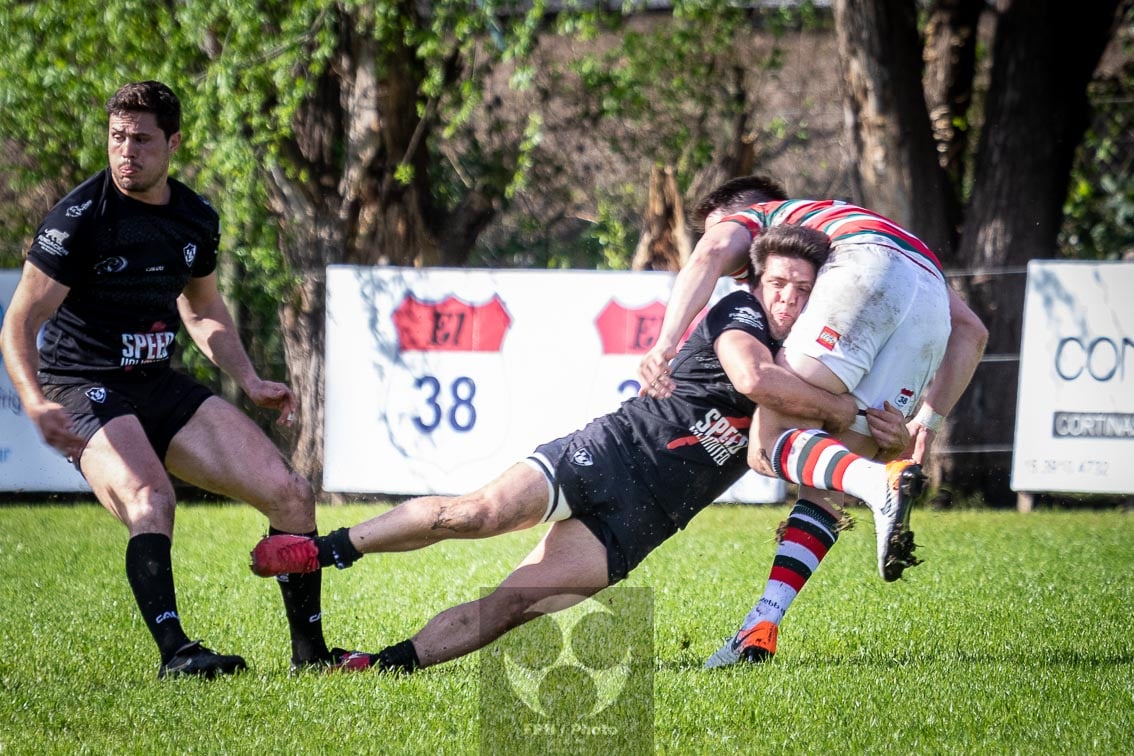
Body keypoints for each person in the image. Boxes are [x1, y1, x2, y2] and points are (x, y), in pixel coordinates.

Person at [245, 224, 911, 674]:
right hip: (611, 451)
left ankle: (382, 666)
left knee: (512, 605)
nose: (789, 300)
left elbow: (795, 454)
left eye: (802, 289)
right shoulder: (738, 312)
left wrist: (885, 434)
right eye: (779, 285)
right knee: (472, 515)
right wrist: (848, 409)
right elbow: (752, 380)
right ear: (757, 283)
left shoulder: (821, 364)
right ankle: (324, 550)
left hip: (643, 520)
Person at [0, 81, 366, 678]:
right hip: (82, 386)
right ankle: (177, 655)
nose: (126, 152)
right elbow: (19, 323)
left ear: (172, 143)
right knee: (151, 499)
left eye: (141, 140)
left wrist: (248, 378)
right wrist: (35, 400)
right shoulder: (78, 219)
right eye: (117, 138)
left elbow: (203, 311)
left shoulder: (194, 218)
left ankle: (311, 656)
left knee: (292, 494)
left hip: (156, 382)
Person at [635, 175, 988, 668]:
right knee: (826, 481)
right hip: (929, 289)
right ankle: (760, 628)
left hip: (867, 266)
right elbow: (972, 330)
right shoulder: (843, 228)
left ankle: (876, 483)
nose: (740, 272)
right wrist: (922, 426)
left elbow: (711, 252)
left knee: (767, 443)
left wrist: (665, 343)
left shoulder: (763, 220)